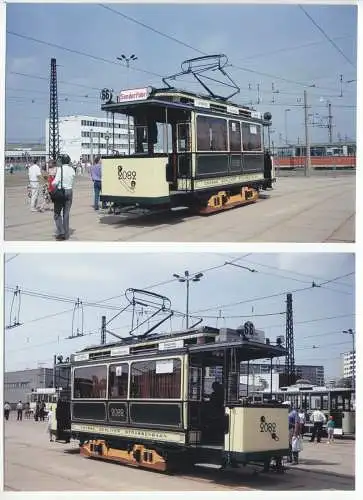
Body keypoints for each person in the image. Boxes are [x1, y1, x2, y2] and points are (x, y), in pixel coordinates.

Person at [52, 154, 75, 241]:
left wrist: (51, 183)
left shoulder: (60, 169)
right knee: (66, 214)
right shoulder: (72, 169)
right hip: (70, 191)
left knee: (57, 214)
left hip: (61, 192)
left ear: (62, 161)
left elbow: (55, 182)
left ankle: (61, 232)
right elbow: (72, 179)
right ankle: (66, 233)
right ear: (68, 161)